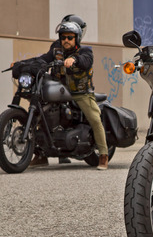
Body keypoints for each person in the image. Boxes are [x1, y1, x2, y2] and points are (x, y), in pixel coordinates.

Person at [30, 17, 110, 170]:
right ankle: (40, 155)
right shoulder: (56, 50)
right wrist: (23, 63)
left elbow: (86, 61)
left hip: (80, 92)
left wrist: (74, 60)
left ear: (77, 38)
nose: (65, 40)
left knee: (94, 118)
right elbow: (43, 59)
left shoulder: (85, 51)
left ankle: (103, 155)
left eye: (69, 37)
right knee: (41, 115)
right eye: (63, 37)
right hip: (59, 90)